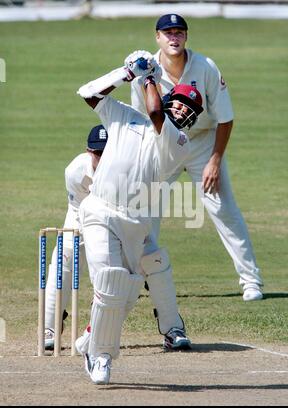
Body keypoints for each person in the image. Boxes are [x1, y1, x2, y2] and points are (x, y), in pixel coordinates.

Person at [76, 50, 204, 384]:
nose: (181, 110)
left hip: (136, 221)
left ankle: (93, 337)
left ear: (190, 120)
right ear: (169, 97)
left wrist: (148, 77)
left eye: (188, 111)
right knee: (111, 278)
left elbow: (155, 111)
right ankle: (100, 355)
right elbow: (88, 93)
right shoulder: (126, 117)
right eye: (178, 103)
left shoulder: (179, 141)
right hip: (100, 209)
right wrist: (126, 73)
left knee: (126, 292)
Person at [131, 14, 263, 303]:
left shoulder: (205, 67)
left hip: (203, 144)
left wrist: (215, 161)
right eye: (168, 33)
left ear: (186, 37)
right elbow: (139, 124)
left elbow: (225, 118)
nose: (173, 38)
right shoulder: (144, 72)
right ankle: (141, 278)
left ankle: (251, 282)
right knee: (145, 212)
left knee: (224, 211)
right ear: (157, 38)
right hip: (163, 145)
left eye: (179, 32)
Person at [44, 125, 108, 350]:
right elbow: (84, 210)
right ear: (88, 151)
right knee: (64, 256)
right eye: (97, 153)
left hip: (117, 216)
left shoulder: (124, 168)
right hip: (81, 212)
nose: (101, 158)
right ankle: (50, 326)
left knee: (121, 263)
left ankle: (100, 327)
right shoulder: (75, 171)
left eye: (106, 152)